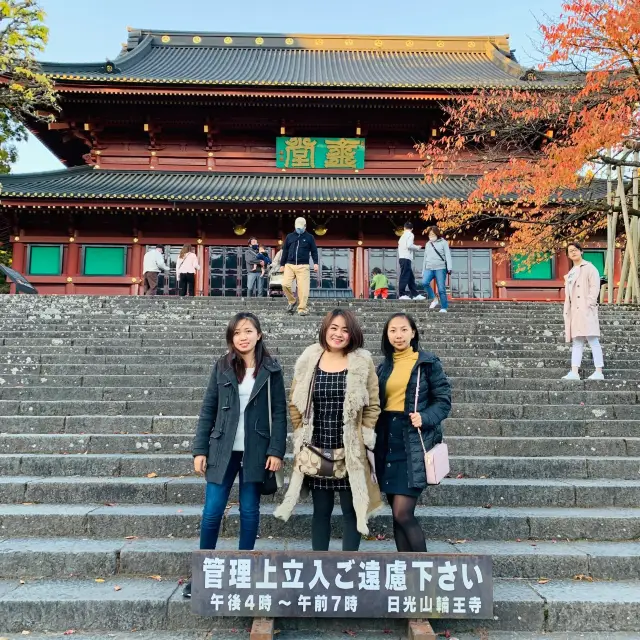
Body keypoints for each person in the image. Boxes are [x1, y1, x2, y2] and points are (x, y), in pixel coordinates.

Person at [184, 312, 287, 597]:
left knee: (250, 510)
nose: (243, 336)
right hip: (221, 448)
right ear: (232, 337)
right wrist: (199, 450)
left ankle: (246, 569)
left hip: (256, 449)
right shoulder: (222, 367)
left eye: (248, 331)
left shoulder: (272, 369)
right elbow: (208, 409)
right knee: (212, 510)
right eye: (237, 332)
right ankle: (202, 572)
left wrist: (277, 450)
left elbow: (280, 413)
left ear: (259, 335)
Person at [274, 309, 382, 550]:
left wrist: (365, 435)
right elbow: (295, 401)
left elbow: (373, 403)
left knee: (351, 510)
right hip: (318, 448)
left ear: (352, 333)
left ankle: (348, 565)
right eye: (334, 328)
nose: (338, 334)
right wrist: (301, 431)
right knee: (320, 511)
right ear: (325, 329)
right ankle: (320, 563)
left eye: (345, 329)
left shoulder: (362, 361)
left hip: (350, 450)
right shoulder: (310, 358)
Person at [374, 313, 451, 552]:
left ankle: (424, 572)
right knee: (396, 516)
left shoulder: (427, 363)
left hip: (412, 441)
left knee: (403, 512)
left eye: (403, 330)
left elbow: (443, 400)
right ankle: (407, 573)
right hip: (386, 439)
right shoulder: (383, 366)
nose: (398, 335)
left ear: (413, 332)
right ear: (387, 335)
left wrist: (425, 417)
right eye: (393, 331)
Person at [562, 241, 604, 381]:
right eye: (570, 251)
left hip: (586, 309)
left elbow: (594, 286)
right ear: (568, 255)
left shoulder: (589, 268)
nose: (573, 252)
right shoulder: (570, 273)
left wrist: (590, 303)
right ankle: (574, 372)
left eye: (575, 249)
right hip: (575, 311)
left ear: (581, 251)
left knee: (593, 339)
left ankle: (599, 371)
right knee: (577, 341)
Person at [280, 217, 319, 316]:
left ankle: (302, 308)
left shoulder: (310, 237)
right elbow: (285, 251)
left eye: (301, 227)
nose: (299, 229)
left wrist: (315, 263)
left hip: (303, 266)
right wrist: (282, 264)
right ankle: (292, 301)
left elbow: (314, 251)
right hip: (290, 264)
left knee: (303, 289)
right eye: (297, 227)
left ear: (305, 226)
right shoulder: (289, 236)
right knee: (285, 284)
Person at [422, 226, 452, 313]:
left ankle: (444, 307)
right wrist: (423, 270)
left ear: (437, 234)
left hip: (440, 268)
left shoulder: (443, 242)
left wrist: (449, 267)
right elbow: (425, 258)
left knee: (441, 288)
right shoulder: (428, 244)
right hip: (429, 267)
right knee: (424, 282)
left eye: (433, 234)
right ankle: (434, 299)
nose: (431, 236)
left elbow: (447, 255)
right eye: (430, 234)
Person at [397, 222, 425, 301]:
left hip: (403, 257)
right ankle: (402, 294)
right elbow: (409, 245)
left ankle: (415, 294)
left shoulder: (402, 236)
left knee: (410, 277)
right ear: (412, 229)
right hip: (406, 258)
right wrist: (417, 247)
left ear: (404, 228)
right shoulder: (410, 234)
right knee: (405, 276)